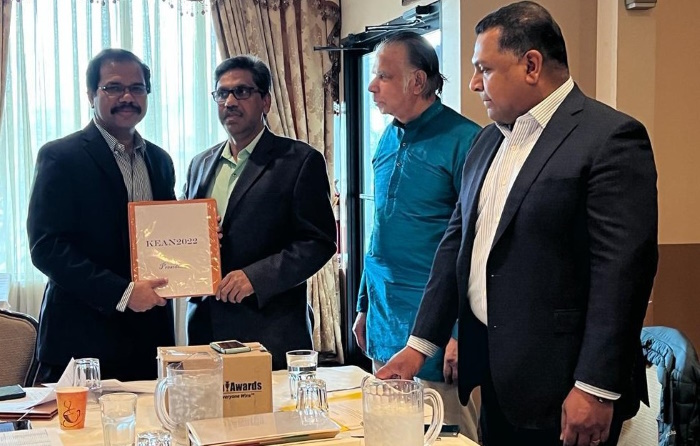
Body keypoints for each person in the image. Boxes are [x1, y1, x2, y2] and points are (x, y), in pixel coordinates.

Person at [376, 3, 658, 446]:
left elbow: (622, 275)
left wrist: (595, 387)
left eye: (484, 69)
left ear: (531, 65)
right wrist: (420, 345)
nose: (473, 83)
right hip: (496, 378)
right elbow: (456, 246)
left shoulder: (609, 138)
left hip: (566, 389)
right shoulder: (487, 141)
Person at [351, 31, 481, 441]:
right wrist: (363, 304)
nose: (372, 86)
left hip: (437, 328)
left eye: (383, 76)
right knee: (391, 433)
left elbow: (476, 244)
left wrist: (460, 331)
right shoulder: (387, 136)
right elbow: (380, 228)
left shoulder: (467, 140)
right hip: (383, 317)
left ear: (418, 82)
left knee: (446, 436)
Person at [27, 49, 176, 382]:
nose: (127, 97)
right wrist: (122, 293)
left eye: (137, 88)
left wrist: (201, 243)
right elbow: (46, 247)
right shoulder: (60, 157)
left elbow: (165, 235)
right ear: (91, 94)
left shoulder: (160, 160)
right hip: (82, 340)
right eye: (113, 87)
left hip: (149, 338)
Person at [183, 55, 336, 371]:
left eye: (241, 91)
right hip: (204, 329)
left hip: (270, 331)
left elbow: (318, 242)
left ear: (265, 101)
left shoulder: (299, 161)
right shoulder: (200, 163)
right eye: (222, 93)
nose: (230, 102)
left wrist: (256, 277)